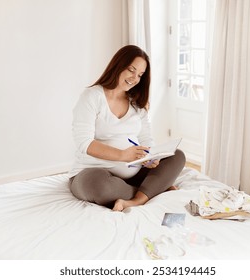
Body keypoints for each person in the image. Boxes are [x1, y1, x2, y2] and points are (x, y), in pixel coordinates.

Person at [69, 45, 186, 211]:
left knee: (177, 156)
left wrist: (150, 156)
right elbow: (84, 143)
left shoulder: (136, 102)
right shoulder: (92, 96)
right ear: (118, 65)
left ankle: (135, 200)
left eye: (140, 75)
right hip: (94, 172)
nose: (135, 78)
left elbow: (146, 138)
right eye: (131, 70)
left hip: (135, 172)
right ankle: (150, 191)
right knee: (98, 186)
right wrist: (123, 155)